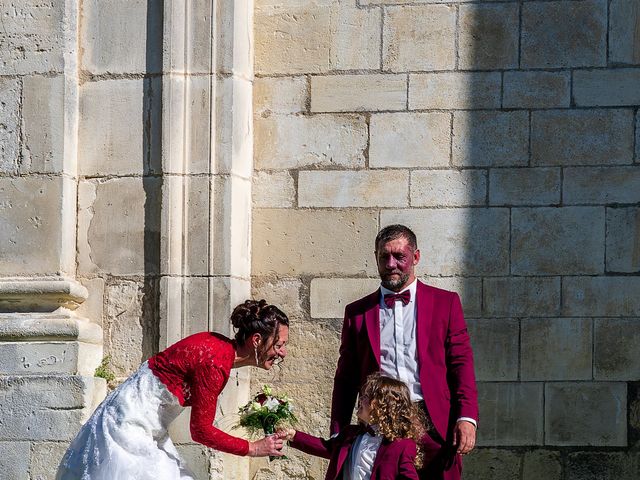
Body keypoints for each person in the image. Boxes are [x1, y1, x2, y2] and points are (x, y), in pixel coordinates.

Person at [56, 299, 289, 480]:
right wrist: (253, 448)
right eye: (279, 345)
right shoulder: (216, 362)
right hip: (128, 429)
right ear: (257, 340)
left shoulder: (218, 347)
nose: (282, 352)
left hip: (140, 424)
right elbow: (201, 431)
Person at [331, 225, 478, 480]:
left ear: (416, 257)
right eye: (383, 257)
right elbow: (346, 378)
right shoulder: (357, 313)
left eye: (399, 256)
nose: (391, 264)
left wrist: (466, 417)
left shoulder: (446, 303)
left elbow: (461, 365)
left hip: (436, 425)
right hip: (381, 426)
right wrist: (338, 431)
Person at [281, 373, 423, 480]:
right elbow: (327, 448)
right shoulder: (350, 434)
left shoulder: (402, 445)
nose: (360, 399)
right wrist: (294, 435)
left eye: (366, 396)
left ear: (382, 405)